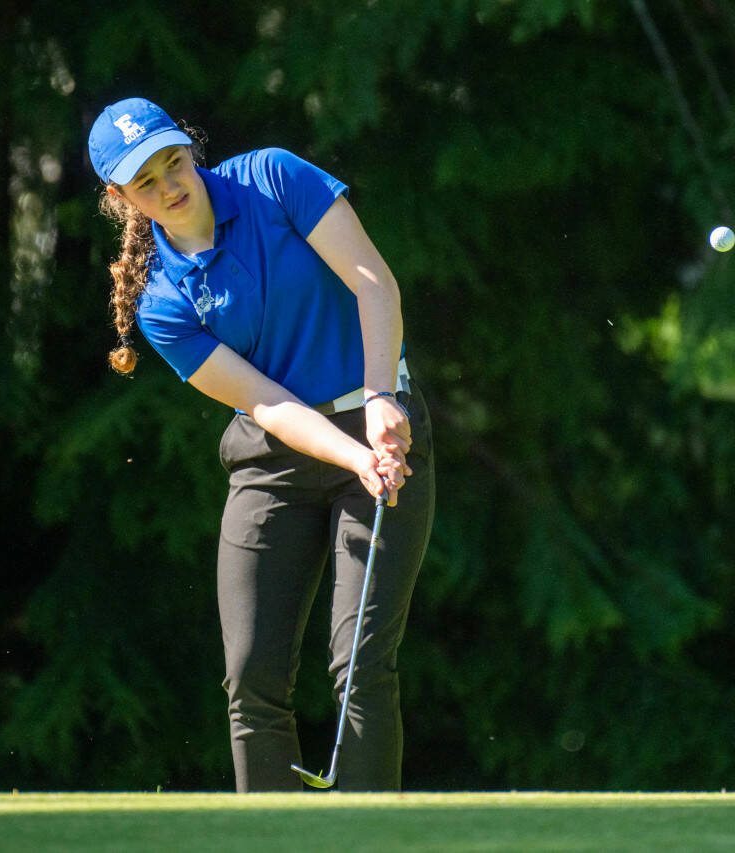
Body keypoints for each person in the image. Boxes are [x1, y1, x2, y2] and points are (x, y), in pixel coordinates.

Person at [88, 97, 435, 792]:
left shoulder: (274, 178)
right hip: (274, 459)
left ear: (190, 149)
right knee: (250, 678)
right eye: (146, 182)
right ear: (121, 198)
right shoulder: (161, 301)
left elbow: (374, 283)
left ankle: (369, 844)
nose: (170, 185)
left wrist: (378, 400)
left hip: (378, 420)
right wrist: (354, 456)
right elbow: (268, 403)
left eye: (173, 162)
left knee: (361, 662)